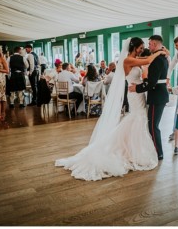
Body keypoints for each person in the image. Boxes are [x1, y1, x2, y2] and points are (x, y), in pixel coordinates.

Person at [55, 37, 169, 180]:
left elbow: (147, 58)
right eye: (140, 47)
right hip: (134, 93)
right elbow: (148, 60)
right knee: (137, 118)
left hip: (139, 94)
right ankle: (132, 150)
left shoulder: (136, 58)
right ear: (134, 47)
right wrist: (160, 52)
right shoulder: (128, 60)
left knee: (140, 120)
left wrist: (163, 52)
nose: (142, 50)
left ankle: (134, 149)